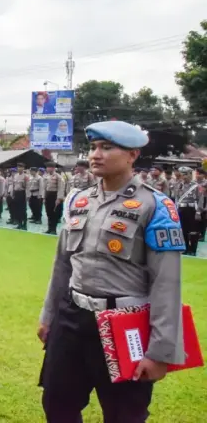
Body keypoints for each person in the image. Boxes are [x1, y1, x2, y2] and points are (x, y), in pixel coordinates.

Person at [37, 120, 186, 423]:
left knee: (124, 413)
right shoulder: (79, 200)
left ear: (132, 155)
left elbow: (166, 283)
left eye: (107, 147)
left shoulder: (155, 206)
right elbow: (63, 264)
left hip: (124, 323)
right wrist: (48, 316)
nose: (96, 154)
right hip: (72, 317)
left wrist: (159, 351)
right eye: (93, 147)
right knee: (57, 404)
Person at [175, 166, 201, 256]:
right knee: (183, 230)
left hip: (192, 210)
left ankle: (193, 250)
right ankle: (185, 248)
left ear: (190, 175)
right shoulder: (179, 185)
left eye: (185, 174)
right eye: (182, 174)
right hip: (181, 210)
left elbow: (200, 199)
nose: (184, 176)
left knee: (193, 231)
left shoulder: (196, 186)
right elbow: (176, 198)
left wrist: (198, 212)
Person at [42, 162, 66, 235]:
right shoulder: (46, 176)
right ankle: (49, 228)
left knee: (54, 213)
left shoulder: (58, 177)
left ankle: (53, 229)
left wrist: (58, 199)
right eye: (47, 167)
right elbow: (44, 188)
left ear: (53, 168)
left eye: (49, 167)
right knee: (48, 213)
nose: (47, 168)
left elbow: (61, 188)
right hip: (48, 196)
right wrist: (44, 198)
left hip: (55, 196)